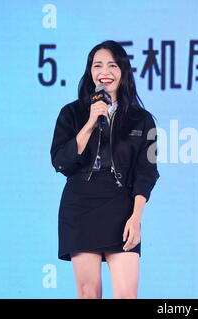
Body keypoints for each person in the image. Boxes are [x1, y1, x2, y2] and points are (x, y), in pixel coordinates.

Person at [50, 40, 159, 299]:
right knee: (89, 294)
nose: (104, 71)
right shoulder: (71, 113)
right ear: (90, 72)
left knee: (126, 295)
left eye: (112, 65)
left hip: (121, 205)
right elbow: (60, 162)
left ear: (123, 71)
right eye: (97, 65)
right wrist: (89, 123)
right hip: (80, 205)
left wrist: (136, 218)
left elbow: (147, 172)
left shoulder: (142, 119)